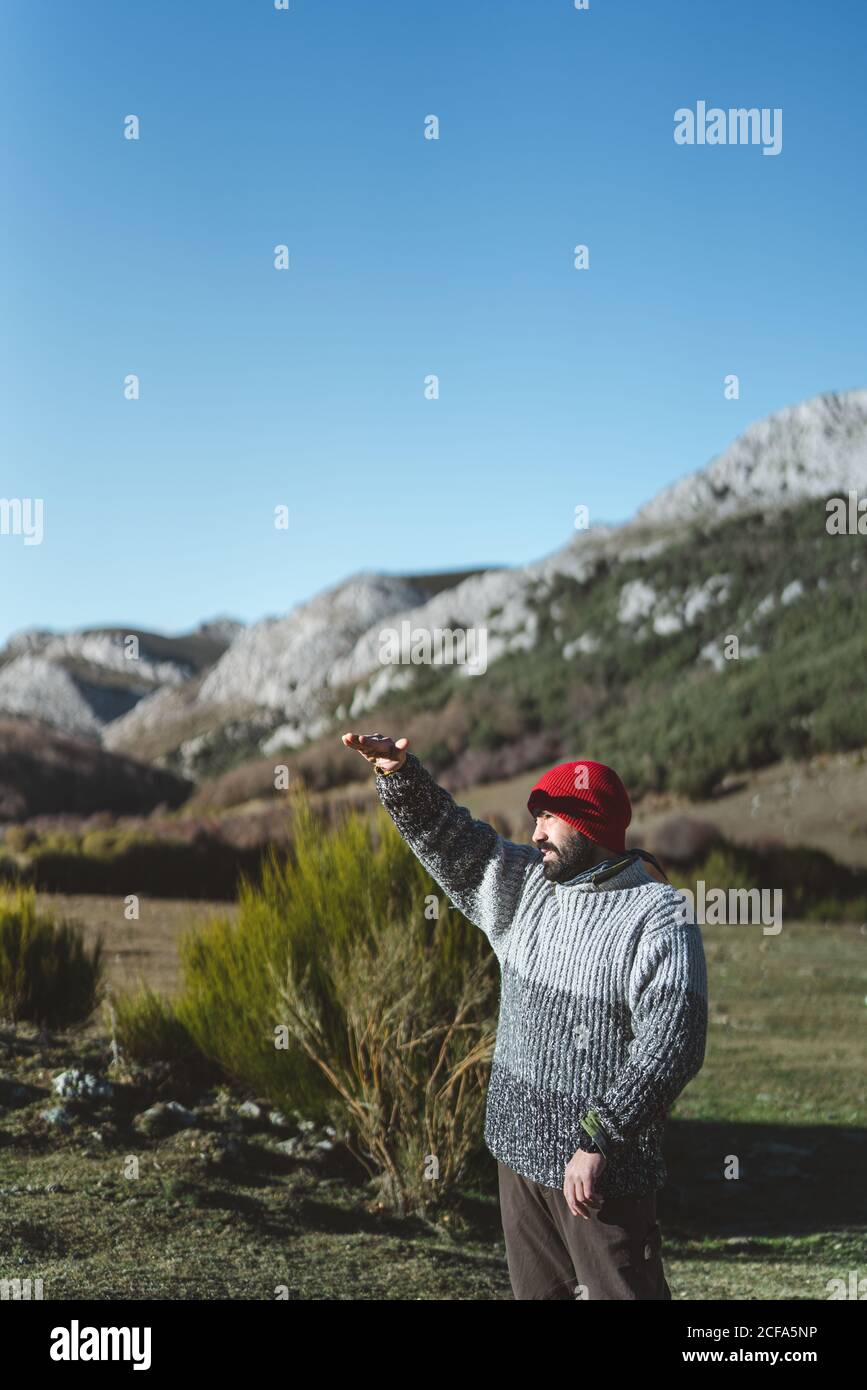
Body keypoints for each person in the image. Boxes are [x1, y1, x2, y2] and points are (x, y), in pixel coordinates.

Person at [341, 731, 708, 1300]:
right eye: (535, 817)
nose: (535, 832)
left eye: (551, 818)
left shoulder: (657, 915)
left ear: (591, 825)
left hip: (602, 1179)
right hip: (518, 1160)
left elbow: (674, 1040)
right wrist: (400, 776)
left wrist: (601, 1137)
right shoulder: (525, 887)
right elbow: (452, 840)